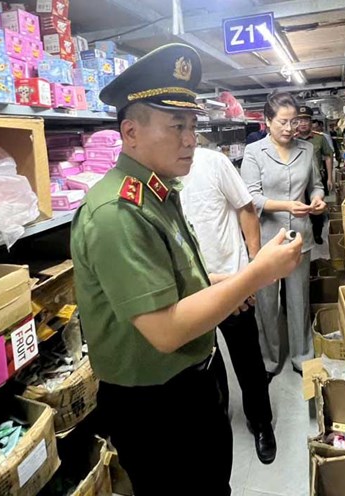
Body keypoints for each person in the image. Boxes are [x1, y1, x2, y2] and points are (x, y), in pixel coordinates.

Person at [70, 44, 303, 495]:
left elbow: (178, 284)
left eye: (193, 126)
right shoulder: (118, 212)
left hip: (191, 381)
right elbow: (165, 329)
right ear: (130, 132)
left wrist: (236, 280)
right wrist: (255, 274)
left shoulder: (158, 192)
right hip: (155, 403)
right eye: (176, 126)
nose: (190, 138)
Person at [179, 146, 277, 464]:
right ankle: (219, 412)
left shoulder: (213, 162)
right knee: (208, 359)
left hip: (232, 281)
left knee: (247, 357)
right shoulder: (157, 180)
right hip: (193, 288)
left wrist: (252, 264)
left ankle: (261, 422)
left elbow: (246, 208)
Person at [240, 93, 326, 376]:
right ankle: (269, 359)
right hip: (267, 241)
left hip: (300, 237)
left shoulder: (306, 149)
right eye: (283, 122)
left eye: (295, 122)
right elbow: (250, 197)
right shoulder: (254, 152)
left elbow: (316, 185)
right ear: (267, 121)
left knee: (299, 298)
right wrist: (286, 204)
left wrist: (317, 199)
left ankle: (302, 355)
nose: (290, 128)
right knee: (266, 302)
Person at [296, 106, 334, 244]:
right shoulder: (292, 140)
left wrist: (330, 178)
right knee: (300, 208)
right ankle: (302, 236)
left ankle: (317, 233)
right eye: (299, 120)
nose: (303, 123)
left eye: (306, 120)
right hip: (298, 181)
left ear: (311, 122)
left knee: (317, 209)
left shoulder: (319, 138)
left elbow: (328, 157)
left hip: (316, 180)